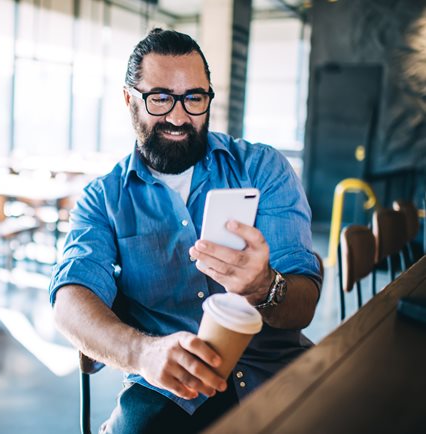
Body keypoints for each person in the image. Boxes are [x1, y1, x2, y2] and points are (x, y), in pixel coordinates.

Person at [49, 28, 322, 434]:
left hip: (272, 367)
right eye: (160, 98)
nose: (179, 117)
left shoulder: (263, 169)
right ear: (130, 99)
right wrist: (143, 353)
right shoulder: (103, 199)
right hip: (164, 384)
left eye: (194, 98)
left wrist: (264, 285)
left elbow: (303, 306)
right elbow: (70, 299)